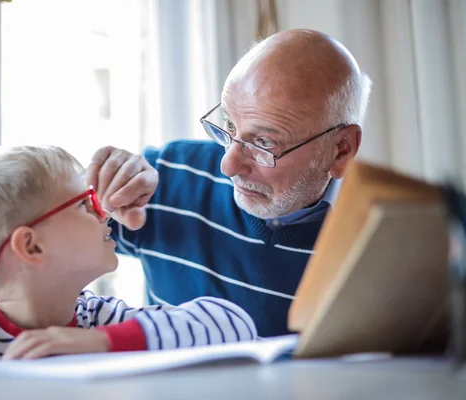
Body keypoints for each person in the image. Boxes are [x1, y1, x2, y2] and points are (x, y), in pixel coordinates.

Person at [85, 29, 372, 337]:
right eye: (229, 126)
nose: (228, 165)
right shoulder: (168, 179)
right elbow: (36, 244)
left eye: (264, 142)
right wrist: (90, 194)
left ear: (341, 150)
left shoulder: (378, 246)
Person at [0, 145, 257, 370]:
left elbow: (233, 323)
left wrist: (99, 342)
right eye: (84, 205)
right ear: (32, 246)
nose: (104, 211)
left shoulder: (97, 319)